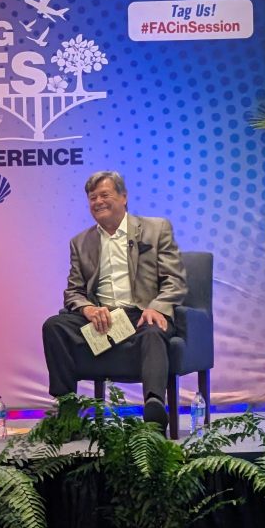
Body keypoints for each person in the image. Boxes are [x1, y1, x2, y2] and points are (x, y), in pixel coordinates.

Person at [42, 171, 187, 432]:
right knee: (54, 326)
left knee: (153, 332)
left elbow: (174, 281)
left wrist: (157, 307)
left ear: (123, 197)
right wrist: (87, 309)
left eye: (105, 195)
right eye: (92, 197)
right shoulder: (80, 242)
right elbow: (73, 291)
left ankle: (154, 408)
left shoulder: (156, 229)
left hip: (143, 314)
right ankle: (67, 409)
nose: (98, 201)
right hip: (105, 319)